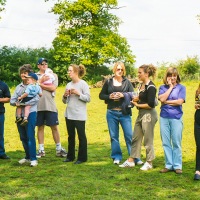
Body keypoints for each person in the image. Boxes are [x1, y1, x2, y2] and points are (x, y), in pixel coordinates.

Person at [99, 61, 142, 165]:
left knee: (129, 136)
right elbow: (101, 95)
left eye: (122, 69)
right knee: (114, 137)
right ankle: (116, 157)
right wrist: (110, 96)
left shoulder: (127, 82)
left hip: (124, 113)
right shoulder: (108, 82)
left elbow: (133, 94)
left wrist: (123, 95)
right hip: (111, 113)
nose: (120, 71)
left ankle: (135, 157)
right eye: (118, 69)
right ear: (114, 70)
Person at [119, 64, 158, 170]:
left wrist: (137, 105)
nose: (138, 74)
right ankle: (131, 160)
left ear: (146, 74)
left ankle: (149, 162)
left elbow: (151, 104)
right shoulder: (141, 86)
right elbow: (142, 97)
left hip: (149, 114)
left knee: (148, 138)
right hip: (141, 114)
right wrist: (136, 99)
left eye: (140, 72)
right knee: (136, 137)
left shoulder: (151, 87)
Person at [36, 58, 67, 158]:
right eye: (42, 64)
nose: (44, 65)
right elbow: (33, 87)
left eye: (46, 63)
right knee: (40, 127)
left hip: (50, 105)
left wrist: (40, 84)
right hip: (38, 106)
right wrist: (40, 82)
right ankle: (41, 150)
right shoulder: (35, 76)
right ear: (38, 66)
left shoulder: (53, 75)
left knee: (54, 127)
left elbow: (53, 88)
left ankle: (59, 149)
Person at [10, 64, 39, 167]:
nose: (23, 74)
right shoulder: (18, 87)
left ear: (30, 75)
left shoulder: (34, 86)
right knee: (23, 137)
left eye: (25, 73)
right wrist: (16, 103)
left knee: (30, 136)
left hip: (31, 113)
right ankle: (27, 157)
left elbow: (36, 99)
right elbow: (12, 101)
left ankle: (33, 158)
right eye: (22, 72)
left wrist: (23, 103)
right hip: (20, 115)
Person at [158, 67, 186, 174]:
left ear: (177, 76)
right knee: (166, 142)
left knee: (176, 142)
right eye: (170, 75)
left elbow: (179, 102)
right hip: (164, 117)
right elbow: (161, 99)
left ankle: (177, 166)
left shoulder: (181, 88)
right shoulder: (162, 87)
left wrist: (167, 102)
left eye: (174, 75)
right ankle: (168, 165)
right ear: (167, 76)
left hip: (176, 117)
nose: (172, 78)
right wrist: (170, 87)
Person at [62, 64, 90, 164]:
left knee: (81, 136)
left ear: (76, 72)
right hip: (69, 114)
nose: (68, 72)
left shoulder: (83, 84)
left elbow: (88, 98)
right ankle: (70, 156)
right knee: (71, 136)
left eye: (70, 71)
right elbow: (64, 101)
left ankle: (82, 158)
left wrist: (78, 93)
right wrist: (65, 96)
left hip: (79, 115)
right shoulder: (68, 84)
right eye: (68, 71)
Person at [0, 80, 11, 159]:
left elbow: (8, 98)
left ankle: (1, 153)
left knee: (0, 134)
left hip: (0, 113)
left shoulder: (3, 85)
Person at [194, 84, 200, 180]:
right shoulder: (198, 90)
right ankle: (198, 170)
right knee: (199, 145)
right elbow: (197, 103)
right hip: (198, 121)